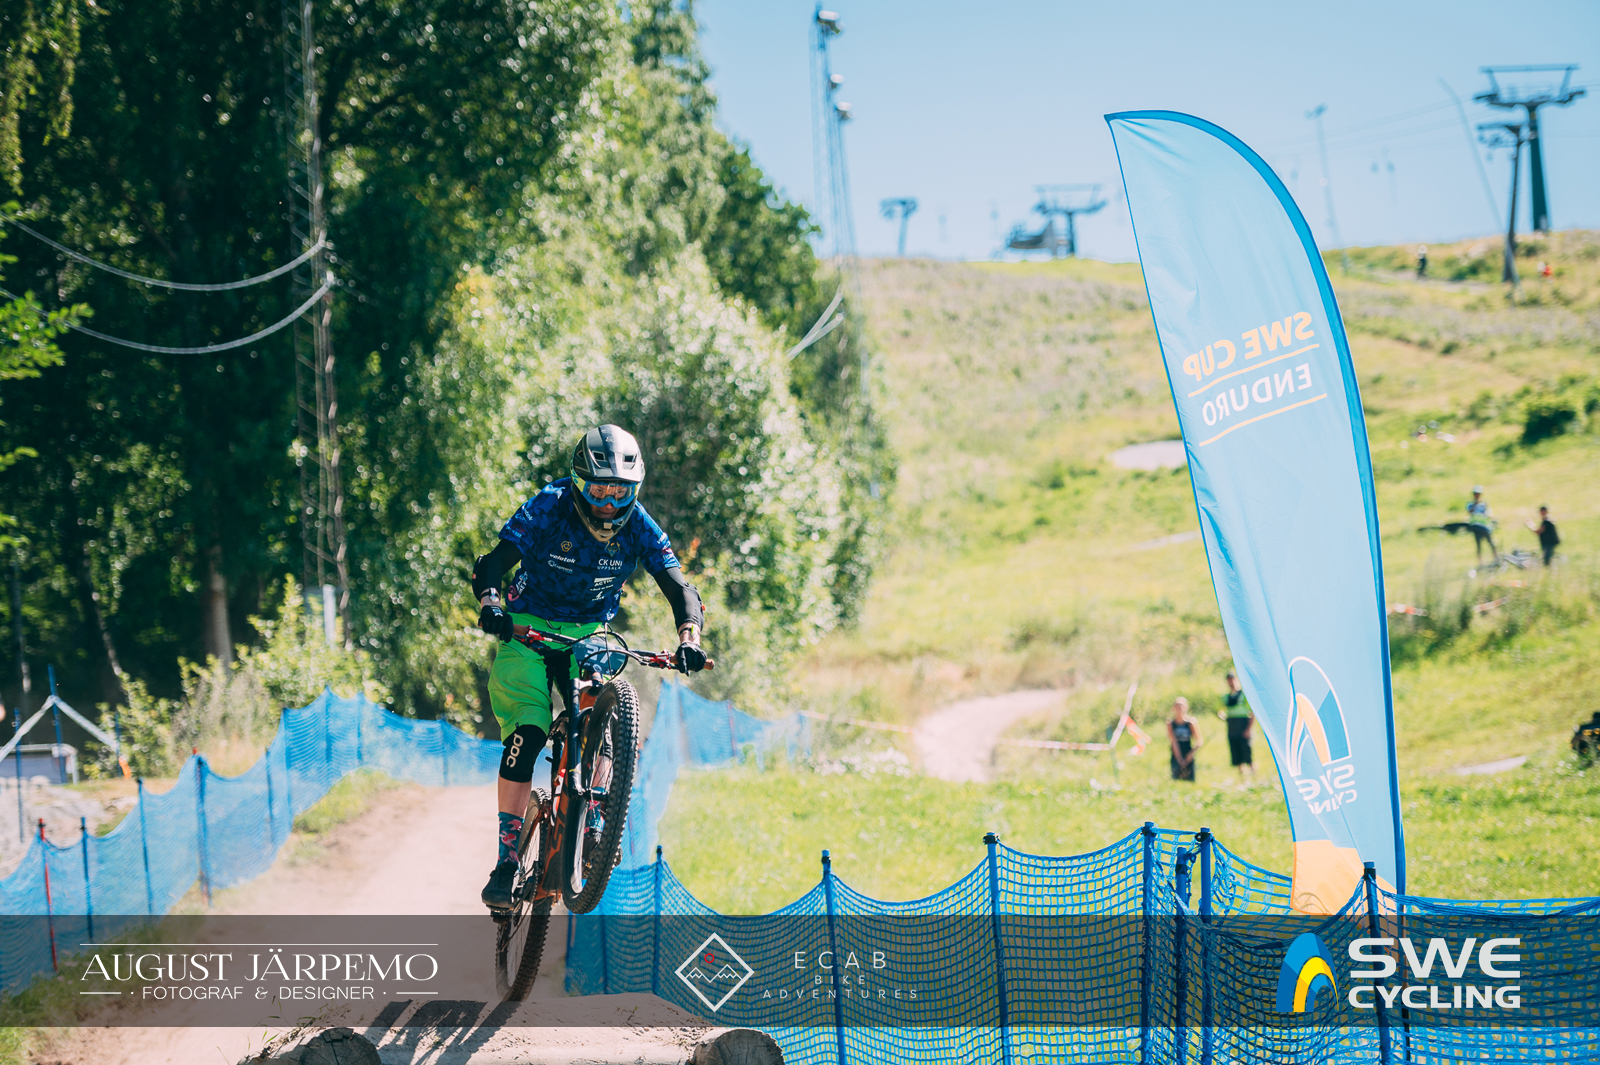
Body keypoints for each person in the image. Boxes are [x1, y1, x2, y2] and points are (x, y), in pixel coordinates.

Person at [470, 424, 707, 909]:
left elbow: (679, 588)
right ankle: (506, 860)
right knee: (528, 734)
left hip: (590, 632)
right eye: (598, 489)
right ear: (579, 482)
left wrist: (689, 639)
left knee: (604, 710)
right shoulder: (549, 505)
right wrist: (492, 604)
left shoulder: (639, 525)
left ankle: (596, 820)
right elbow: (493, 563)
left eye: (620, 491)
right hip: (528, 627)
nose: (608, 502)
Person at [1218, 671, 1255, 782]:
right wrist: (1225, 718)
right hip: (1232, 727)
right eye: (1228, 680)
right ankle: (1242, 777)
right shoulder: (1225, 697)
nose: (1231, 683)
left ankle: (1253, 774)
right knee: (1236, 752)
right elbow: (1218, 710)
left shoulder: (1244, 695)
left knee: (1247, 752)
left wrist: (1248, 729)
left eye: (1232, 680)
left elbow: (1252, 713)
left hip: (1243, 726)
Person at [1167, 697, 1202, 782]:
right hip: (1176, 753)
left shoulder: (1191, 722)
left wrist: (1190, 755)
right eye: (1177, 706)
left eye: (1181, 706)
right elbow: (1173, 741)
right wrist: (1179, 758)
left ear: (1186, 707)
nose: (1179, 709)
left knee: (1190, 781)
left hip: (1188, 752)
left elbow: (1199, 741)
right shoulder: (1170, 723)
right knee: (1175, 780)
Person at [1466, 486, 1498, 566]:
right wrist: (1475, 504)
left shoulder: (1484, 505)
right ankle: (1480, 562)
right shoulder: (1470, 505)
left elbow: (1489, 515)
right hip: (1476, 527)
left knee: (1491, 543)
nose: (1477, 495)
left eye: (1478, 494)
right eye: (1475, 494)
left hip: (1485, 527)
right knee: (1479, 546)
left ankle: (1496, 558)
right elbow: (1469, 512)